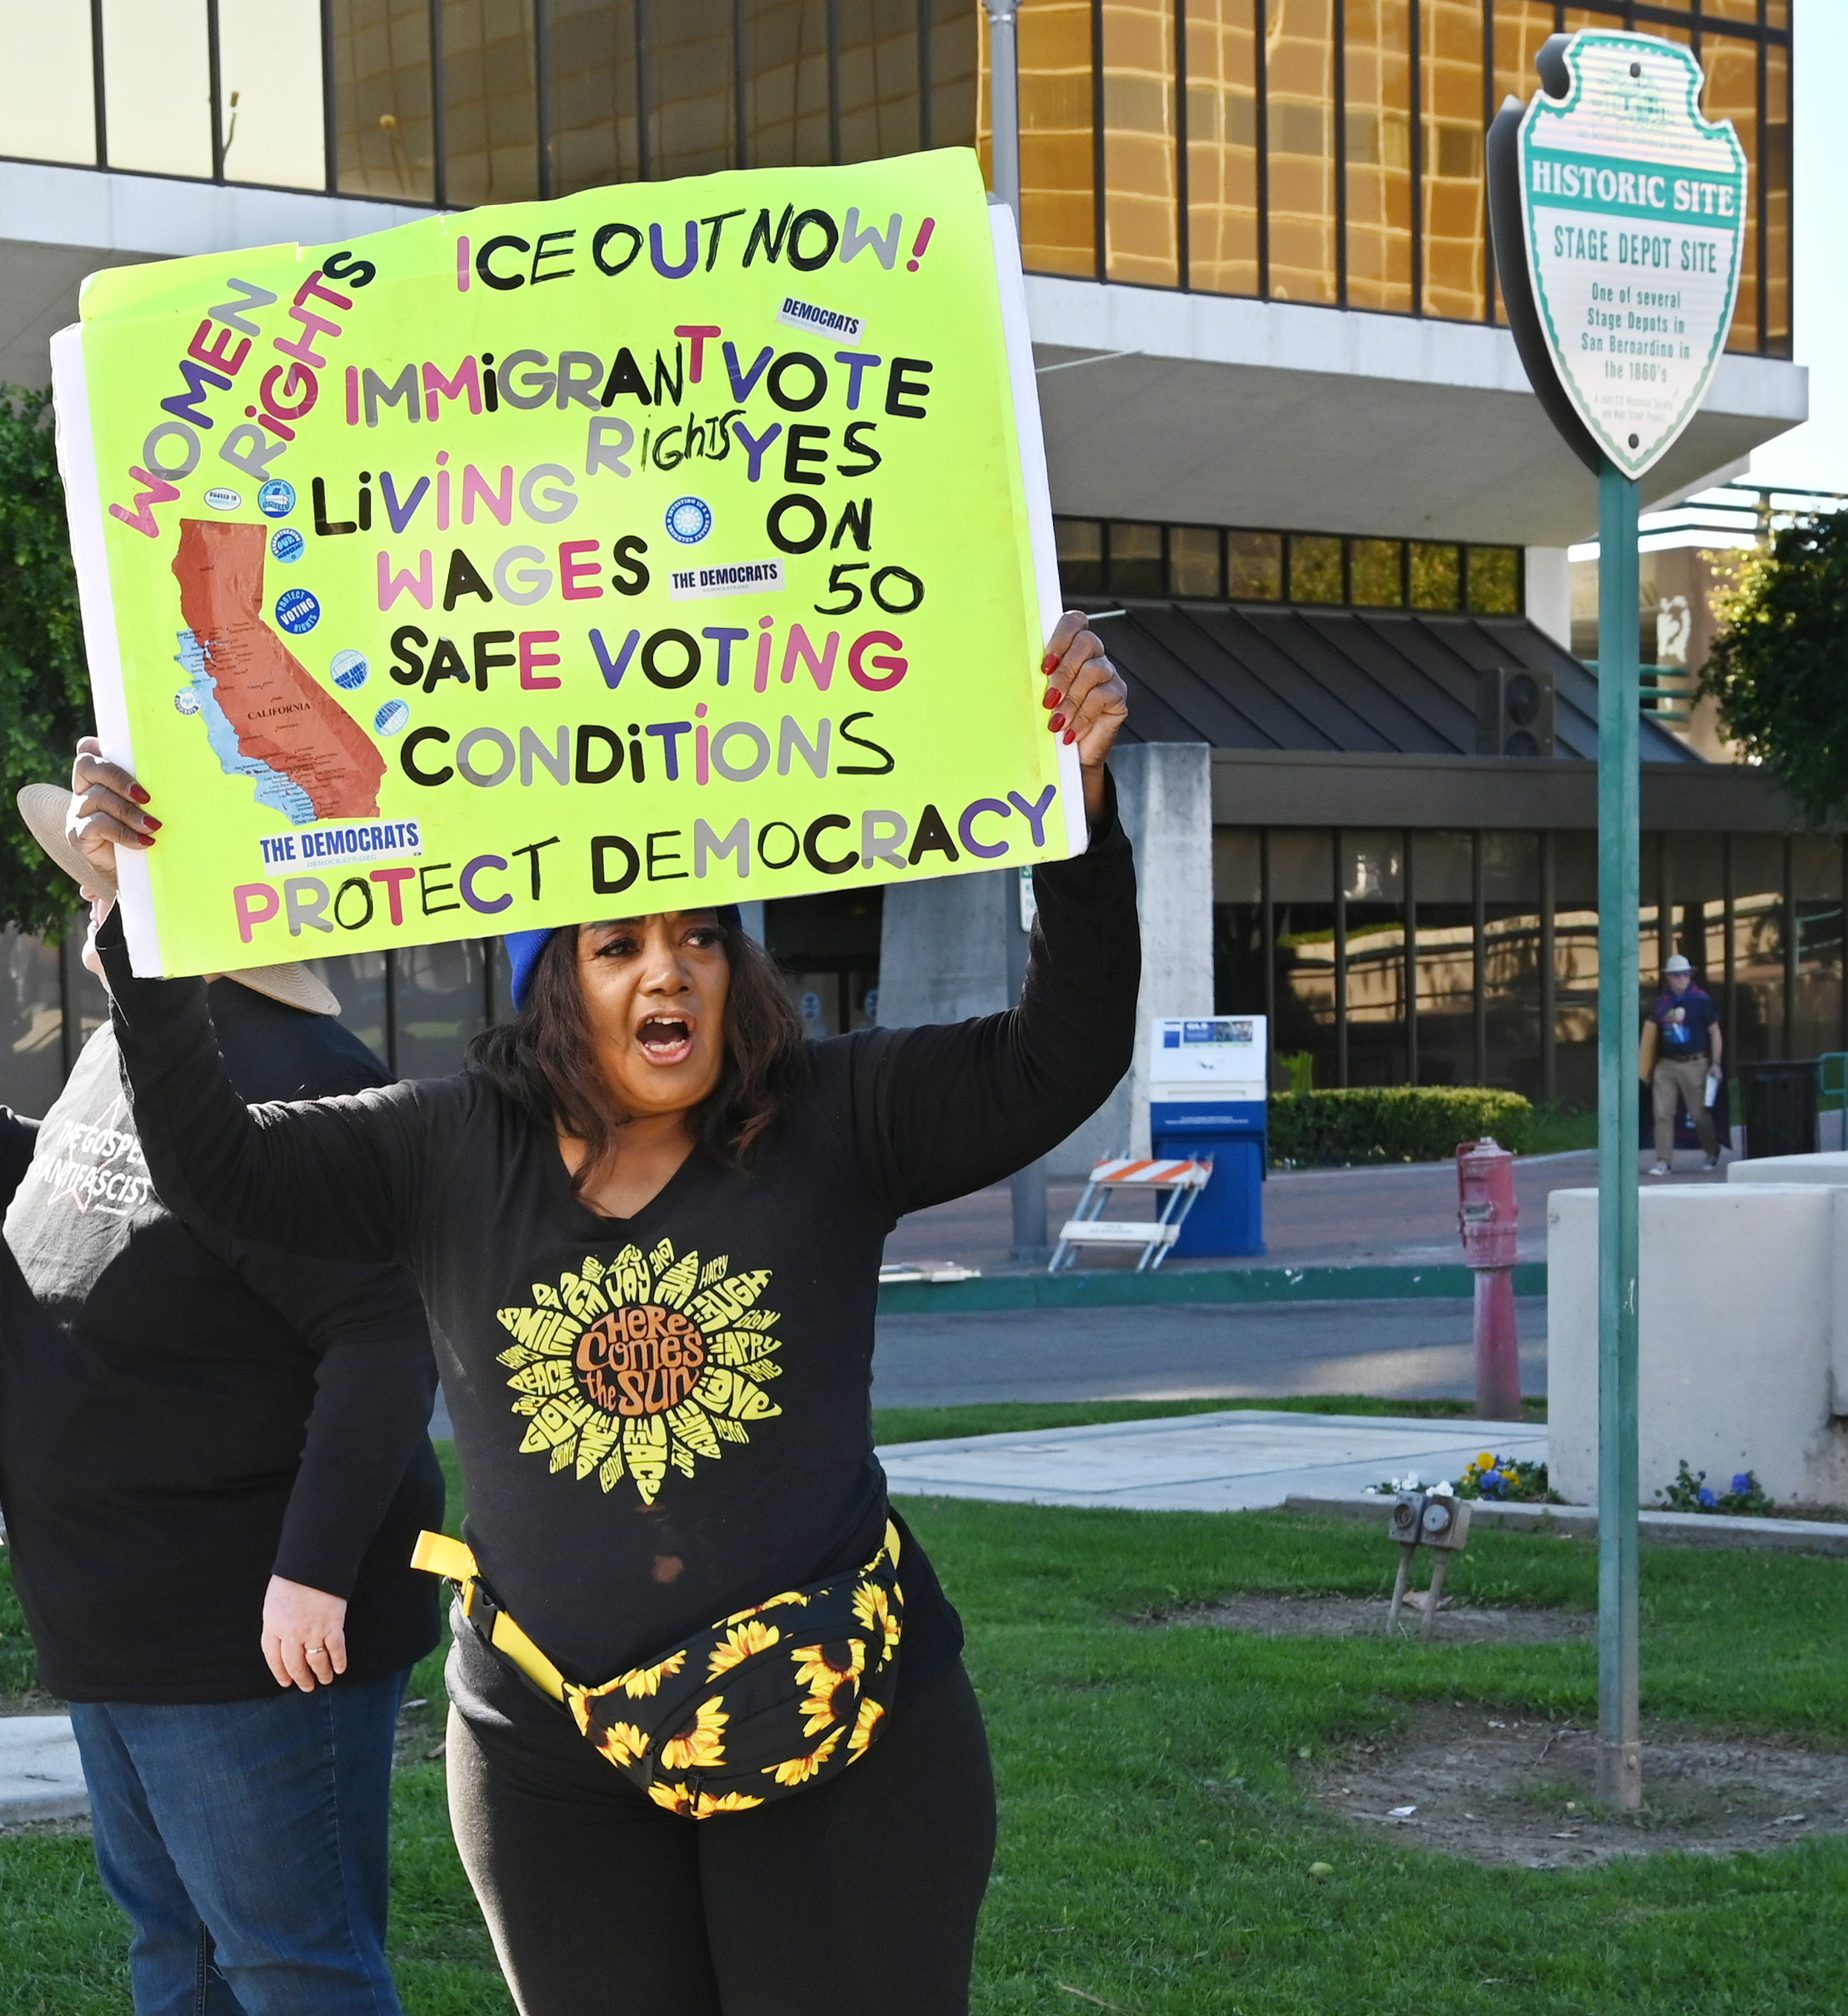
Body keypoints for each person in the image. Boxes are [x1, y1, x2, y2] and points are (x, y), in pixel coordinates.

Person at [69, 612, 1137, 2016]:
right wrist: (141, 933)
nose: (668, 971)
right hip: (551, 1763)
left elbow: (1058, 1057)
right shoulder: (448, 1146)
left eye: (702, 937)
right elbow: (225, 1168)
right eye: (618, 942)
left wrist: (1080, 813)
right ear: (551, 988)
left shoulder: (833, 1116)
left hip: (844, 1737)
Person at [2, 785, 443, 2016]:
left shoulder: (298, 1076)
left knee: (287, 1965)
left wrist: (310, 1572)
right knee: (176, 1952)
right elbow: (80, 1182)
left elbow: (381, 1338)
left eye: (109, 879)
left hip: (244, 1632)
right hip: (117, 1613)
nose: (89, 898)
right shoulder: (140, 1037)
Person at [1642, 953, 1721, 1175]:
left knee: (1699, 1113)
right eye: (1677, 975)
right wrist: (1646, 1066)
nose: (1681, 978)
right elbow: (1652, 1033)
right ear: (1669, 978)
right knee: (1662, 1113)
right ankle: (1663, 1160)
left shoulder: (1701, 1000)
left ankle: (1712, 1149)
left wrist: (1715, 1063)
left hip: (1695, 1063)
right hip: (1666, 1064)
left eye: (1685, 974)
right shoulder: (1661, 1003)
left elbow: (1715, 1032)